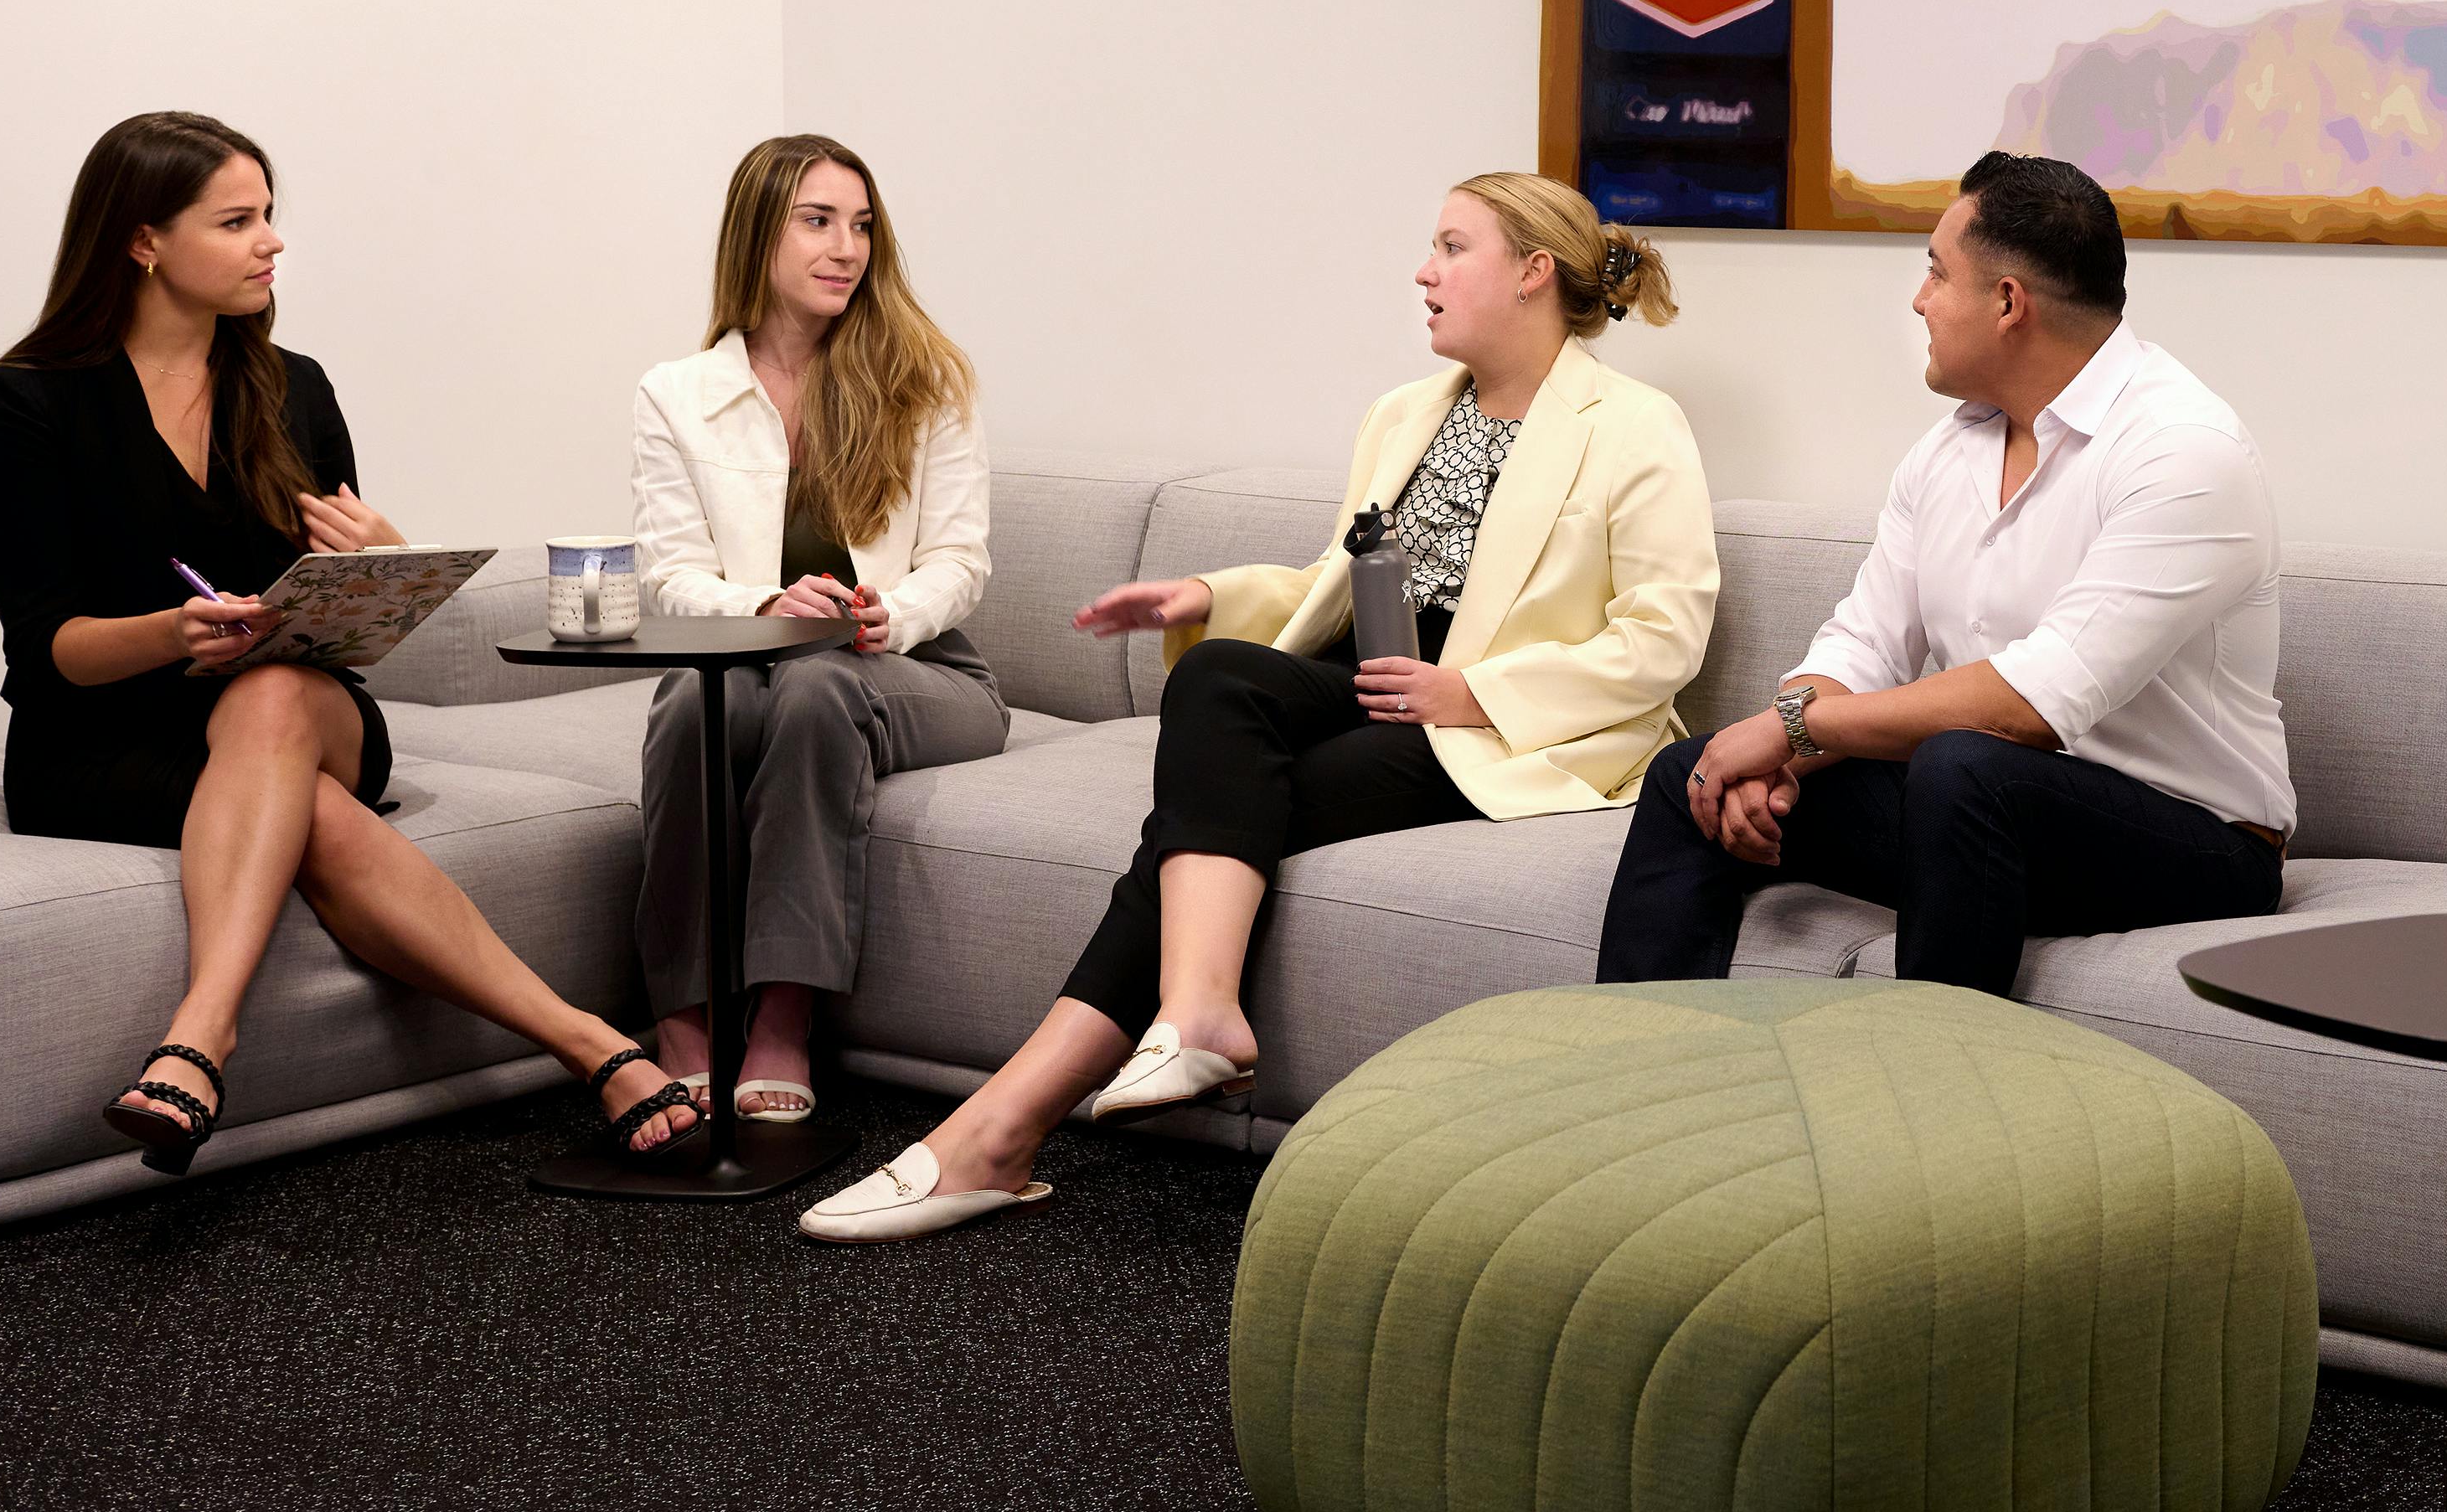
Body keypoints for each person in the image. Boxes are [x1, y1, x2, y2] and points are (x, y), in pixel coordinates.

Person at [796, 172, 1719, 1241]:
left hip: (1506, 728)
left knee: (1209, 819)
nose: (1423, 271)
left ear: (1530, 272)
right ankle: (1187, 1017)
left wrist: (1473, 692)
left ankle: (1004, 1125)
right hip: (1380, 681)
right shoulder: (1407, 413)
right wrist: (1211, 596)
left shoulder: (1634, 426)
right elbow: (1344, 581)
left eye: (1450, 247)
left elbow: (1665, 635)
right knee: (1215, 673)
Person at [0, 111, 701, 1173]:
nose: (272, 241)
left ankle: (200, 1035)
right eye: (237, 220)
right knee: (298, 798)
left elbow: (348, 651)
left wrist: (383, 562)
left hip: (299, 707)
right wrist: (176, 634)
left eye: (269, 215)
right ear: (143, 241)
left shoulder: (292, 387)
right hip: (101, 745)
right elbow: (48, 651)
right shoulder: (27, 405)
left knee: (267, 701)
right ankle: (588, 1041)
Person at [1596, 151, 2294, 998]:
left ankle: (1933, 1108)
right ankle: (1645, 1085)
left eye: (1936, 272)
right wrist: (1777, 758)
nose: (1918, 299)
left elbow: (2032, 705)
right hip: (1978, 811)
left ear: (2008, 303)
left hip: (2195, 843)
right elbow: (1863, 648)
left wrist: (1792, 731)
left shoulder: (2183, 450)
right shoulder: (1949, 450)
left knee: (1962, 766)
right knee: (1695, 777)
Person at [629, 135, 1004, 1124]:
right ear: (757, 235)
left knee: (817, 684)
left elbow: (960, 562)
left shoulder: (924, 381)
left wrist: (895, 613)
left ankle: (783, 1018)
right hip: (756, 660)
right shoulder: (677, 395)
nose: (847, 248)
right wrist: (762, 606)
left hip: (920, 670)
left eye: (862, 226)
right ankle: (681, 1012)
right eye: (818, 222)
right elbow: (668, 578)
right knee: (687, 704)